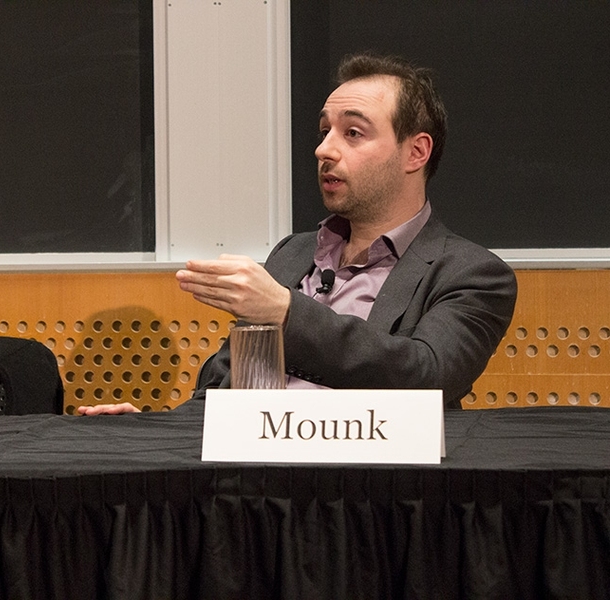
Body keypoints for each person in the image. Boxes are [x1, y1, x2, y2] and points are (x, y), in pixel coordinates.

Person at [79, 52, 517, 415]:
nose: (324, 149)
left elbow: (427, 377)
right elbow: (229, 388)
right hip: (253, 483)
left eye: (353, 133)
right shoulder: (294, 254)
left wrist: (285, 312)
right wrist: (158, 429)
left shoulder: (471, 274)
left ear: (416, 152)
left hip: (367, 493)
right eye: (325, 131)